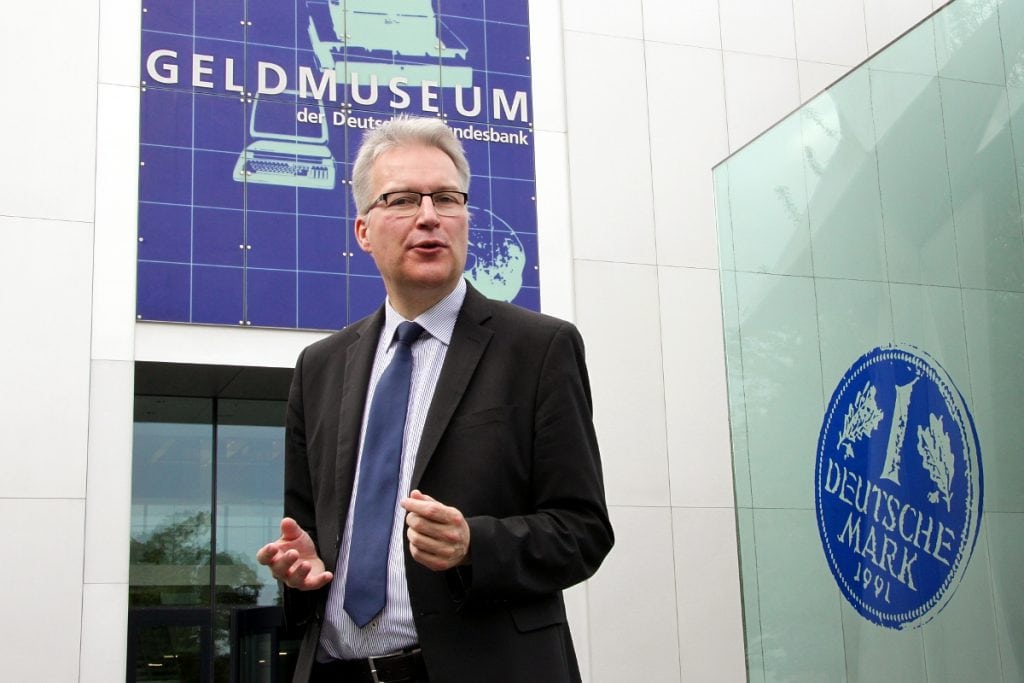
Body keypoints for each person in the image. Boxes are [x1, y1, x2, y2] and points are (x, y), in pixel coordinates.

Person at [257, 116, 613, 683]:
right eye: (401, 200)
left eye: (446, 198)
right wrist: (301, 569)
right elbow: (307, 540)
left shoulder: (540, 349)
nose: (429, 216)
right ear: (364, 231)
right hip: (333, 668)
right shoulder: (320, 367)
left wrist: (476, 542)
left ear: (466, 218)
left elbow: (584, 530)